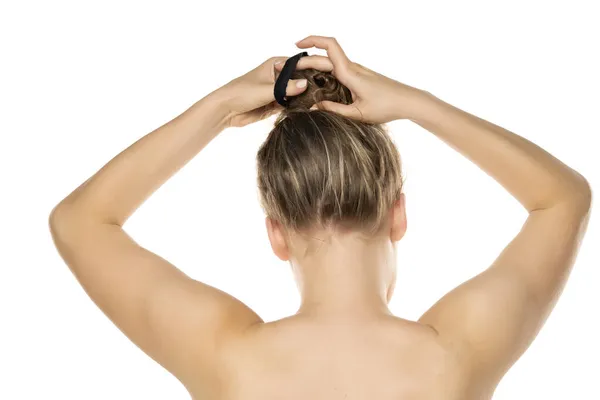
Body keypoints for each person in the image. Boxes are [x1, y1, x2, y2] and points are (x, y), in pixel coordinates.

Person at [49, 35, 592, 399]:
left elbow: (80, 221)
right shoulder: (457, 354)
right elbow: (562, 198)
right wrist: (416, 103)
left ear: (276, 234)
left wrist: (218, 107)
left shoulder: (224, 356)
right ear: (398, 214)